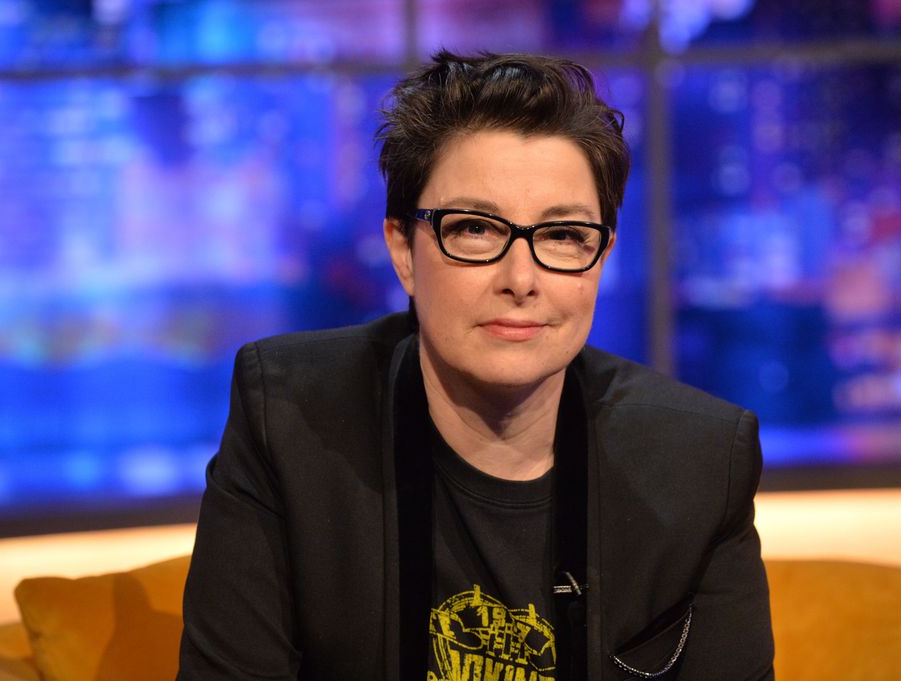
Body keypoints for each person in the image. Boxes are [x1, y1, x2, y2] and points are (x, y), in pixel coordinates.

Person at [178, 51, 774, 681]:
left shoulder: (702, 462)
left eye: (564, 235)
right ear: (404, 250)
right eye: (474, 230)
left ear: (601, 260)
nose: (522, 279)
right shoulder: (289, 417)